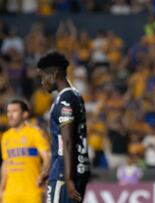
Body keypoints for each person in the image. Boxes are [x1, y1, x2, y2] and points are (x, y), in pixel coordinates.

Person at [37, 51, 90, 203]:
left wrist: (68, 178)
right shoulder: (75, 96)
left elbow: (67, 141)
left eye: (43, 76)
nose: (42, 82)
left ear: (54, 74)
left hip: (64, 171)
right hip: (75, 167)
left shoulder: (65, 100)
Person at [0, 99, 50, 203]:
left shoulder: (35, 132)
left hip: (32, 192)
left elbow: (47, 156)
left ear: (25, 114)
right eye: (8, 111)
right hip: (10, 194)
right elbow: (6, 164)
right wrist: (2, 188)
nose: (10, 115)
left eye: (14, 111)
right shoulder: (5, 136)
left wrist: (45, 172)